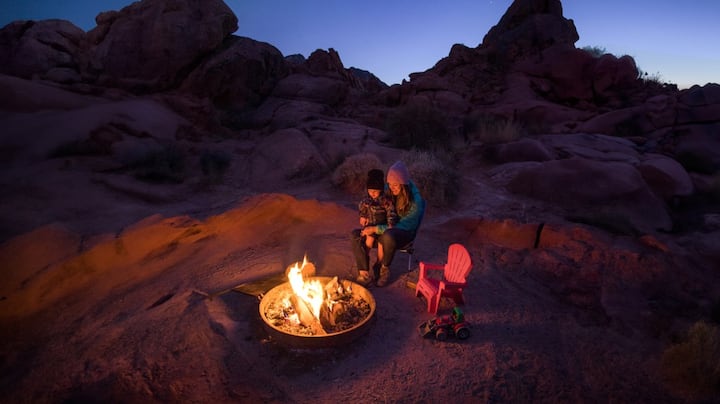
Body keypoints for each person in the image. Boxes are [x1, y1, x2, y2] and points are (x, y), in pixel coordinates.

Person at [352, 161, 425, 287]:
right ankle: (364, 273)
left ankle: (383, 270)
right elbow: (372, 197)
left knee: (387, 235)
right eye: (389, 184)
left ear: (404, 185)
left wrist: (375, 228)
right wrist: (365, 214)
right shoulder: (388, 189)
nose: (392, 188)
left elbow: (400, 226)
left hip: (403, 234)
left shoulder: (416, 202)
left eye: (395, 185)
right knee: (355, 235)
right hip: (383, 227)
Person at [352, 169, 397, 286]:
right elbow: (362, 208)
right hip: (370, 227)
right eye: (370, 190)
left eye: (376, 191)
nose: (373, 193)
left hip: (383, 229)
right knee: (368, 238)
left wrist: (387, 225)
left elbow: (391, 219)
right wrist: (363, 215)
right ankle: (364, 265)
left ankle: (379, 268)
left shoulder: (386, 202)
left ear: (381, 190)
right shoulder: (366, 201)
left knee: (382, 243)